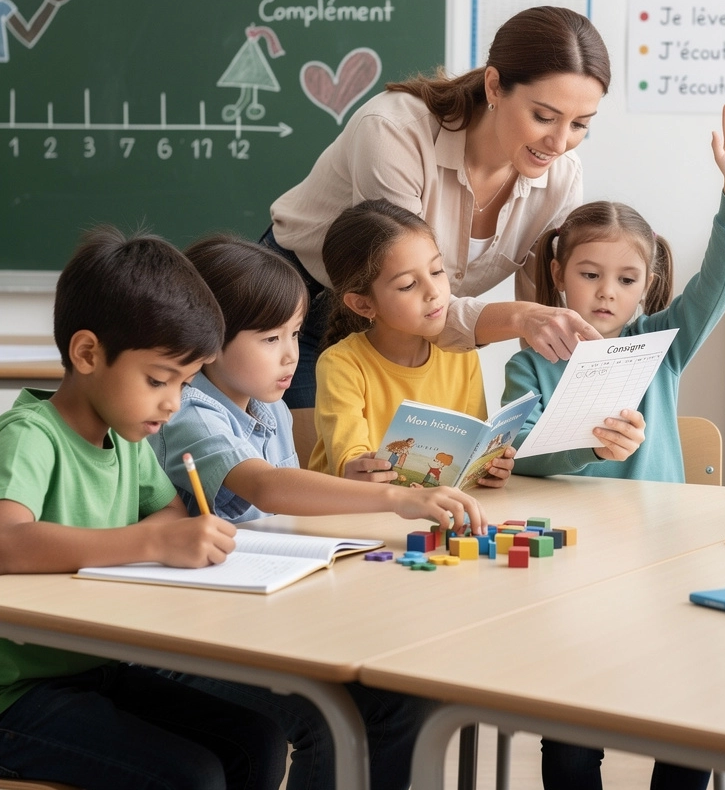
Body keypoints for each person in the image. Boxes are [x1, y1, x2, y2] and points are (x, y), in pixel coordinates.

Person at [152, 233, 486, 790]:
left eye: (293, 335)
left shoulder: (270, 406)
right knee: (335, 720)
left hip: (263, 606)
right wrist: (399, 498)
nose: (289, 355)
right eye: (268, 338)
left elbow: (289, 513)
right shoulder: (188, 411)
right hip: (195, 627)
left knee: (409, 697)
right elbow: (270, 488)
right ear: (205, 342)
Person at [501, 101, 725, 790]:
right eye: (589, 274)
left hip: (663, 563)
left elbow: (719, 285)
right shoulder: (529, 361)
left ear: (647, 284)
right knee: (571, 735)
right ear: (559, 273)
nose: (606, 292)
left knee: (689, 712)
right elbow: (516, 456)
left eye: (625, 279)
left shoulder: (661, 349)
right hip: (568, 570)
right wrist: (587, 447)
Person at [0, 227, 288, 790]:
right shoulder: (30, 436)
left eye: (184, 383)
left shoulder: (127, 444)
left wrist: (168, 533)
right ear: (88, 353)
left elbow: (174, 515)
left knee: (258, 739)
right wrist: (151, 542)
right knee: (193, 775)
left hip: (96, 667)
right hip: (16, 696)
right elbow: (9, 542)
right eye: (159, 379)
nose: (172, 402)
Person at [262, 6, 612, 453]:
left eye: (580, 124)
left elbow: (541, 313)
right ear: (494, 86)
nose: (560, 143)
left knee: (418, 482)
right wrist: (524, 318)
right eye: (544, 117)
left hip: (424, 336)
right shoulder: (394, 133)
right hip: (299, 307)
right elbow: (406, 290)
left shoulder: (561, 177)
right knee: (325, 487)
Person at [307, 198, 515, 486]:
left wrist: (488, 467)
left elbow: (470, 446)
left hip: (425, 511)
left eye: (437, 271)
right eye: (407, 285)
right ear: (363, 305)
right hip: (349, 515)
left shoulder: (460, 353)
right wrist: (359, 468)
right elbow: (352, 465)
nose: (434, 292)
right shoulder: (341, 364)